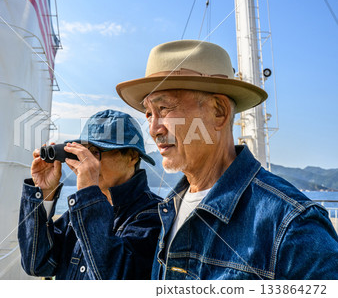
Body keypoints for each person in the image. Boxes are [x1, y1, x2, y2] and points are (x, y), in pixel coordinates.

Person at [116, 40, 338, 280]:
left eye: (164, 108)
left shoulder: (290, 225)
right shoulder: (170, 208)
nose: (153, 129)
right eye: (149, 114)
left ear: (218, 111)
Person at [17, 109, 162, 279]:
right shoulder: (78, 215)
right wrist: (44, 195)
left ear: (132, 156)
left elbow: (113, 275)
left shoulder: (156, 215)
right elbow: (37, 265)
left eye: (96, 153)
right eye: (84, 153)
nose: (88, 163)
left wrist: (87, 195)